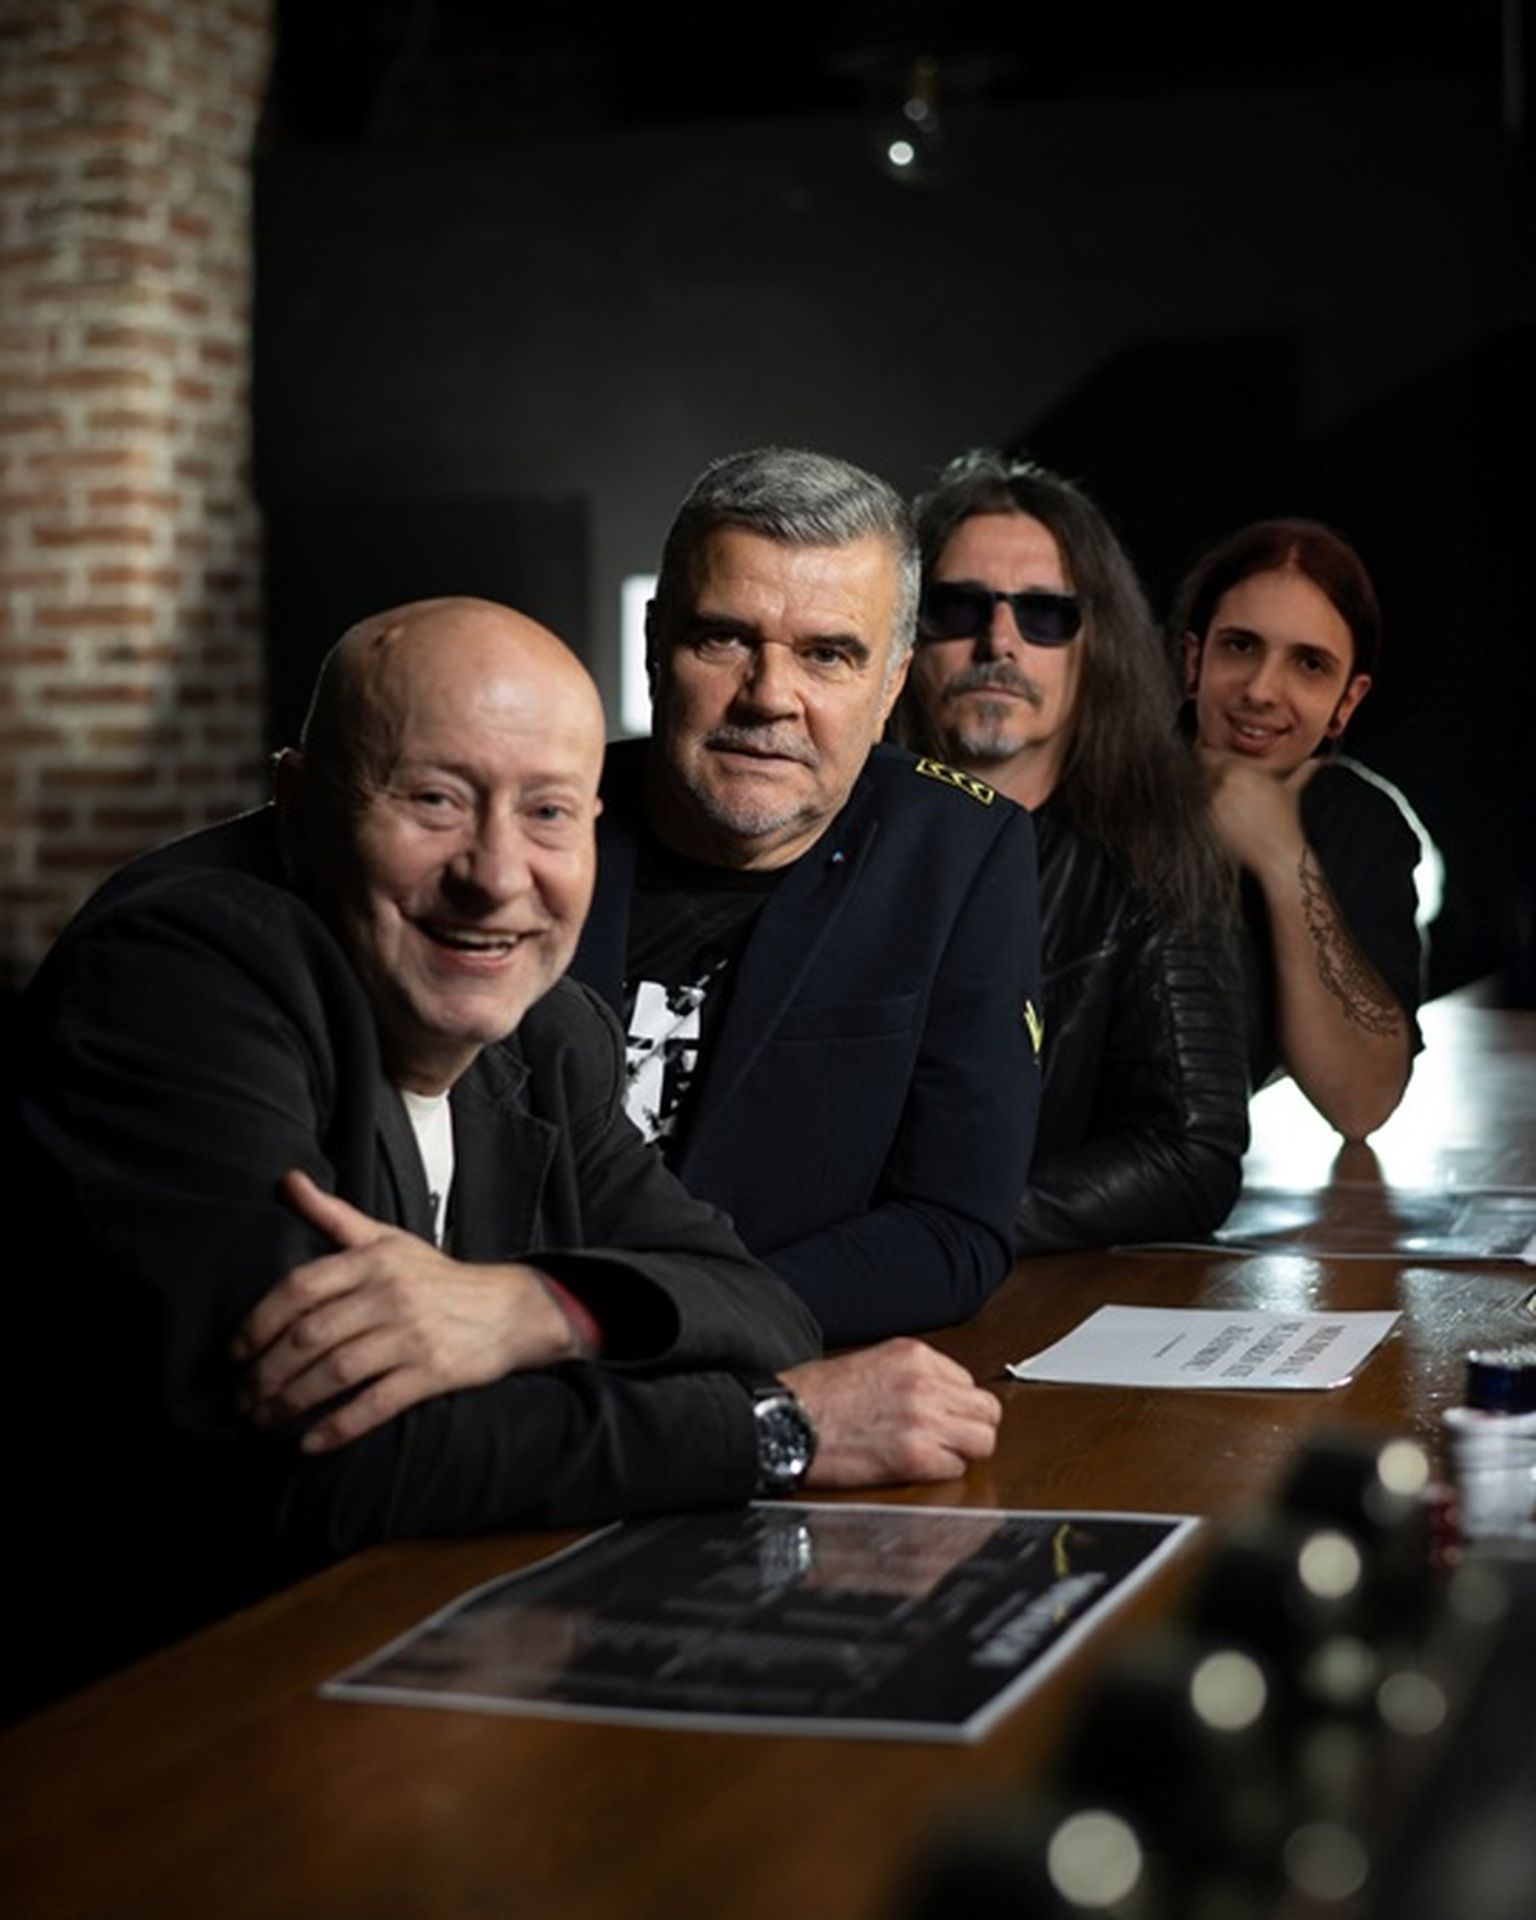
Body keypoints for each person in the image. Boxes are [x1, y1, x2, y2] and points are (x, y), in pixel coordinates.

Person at [14, 596, 1002, 1711]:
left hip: (397, 1658)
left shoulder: (547, 1026)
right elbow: (331, 1458)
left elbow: (760, 1307)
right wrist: (774, 1428)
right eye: (435, 800)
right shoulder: (179, 975)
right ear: (298, 803)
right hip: (143, 1717)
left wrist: (534, 1309)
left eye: (547, 813)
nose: (495, 875)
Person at [571, 448, 1043, 1345]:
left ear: (892, 680)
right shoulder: (537, 816)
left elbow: (954, 1231)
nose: (768, 698)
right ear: (655, 645)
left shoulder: (958, 855)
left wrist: (630, 1319)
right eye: (723, 638)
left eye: (827, 655)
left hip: (765, 1364)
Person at [894, 450, 1248, 1253]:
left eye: (1045, 615)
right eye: (958, 606)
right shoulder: (823, 836)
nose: (999, 642)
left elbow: (1192, 1153)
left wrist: (939, 1229)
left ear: (1096, 645)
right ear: (905, 632)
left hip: (1012, 1288)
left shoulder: (1149, 858)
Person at [1173, 519, 1426, 1139]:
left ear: (1347, 701)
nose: (1262, 690)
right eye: (1240, 647)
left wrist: (1285, 862)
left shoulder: (1363, 825)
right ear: (1193, 660)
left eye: (1309, 664)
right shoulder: (1104, 788)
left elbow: (1361, 1103)